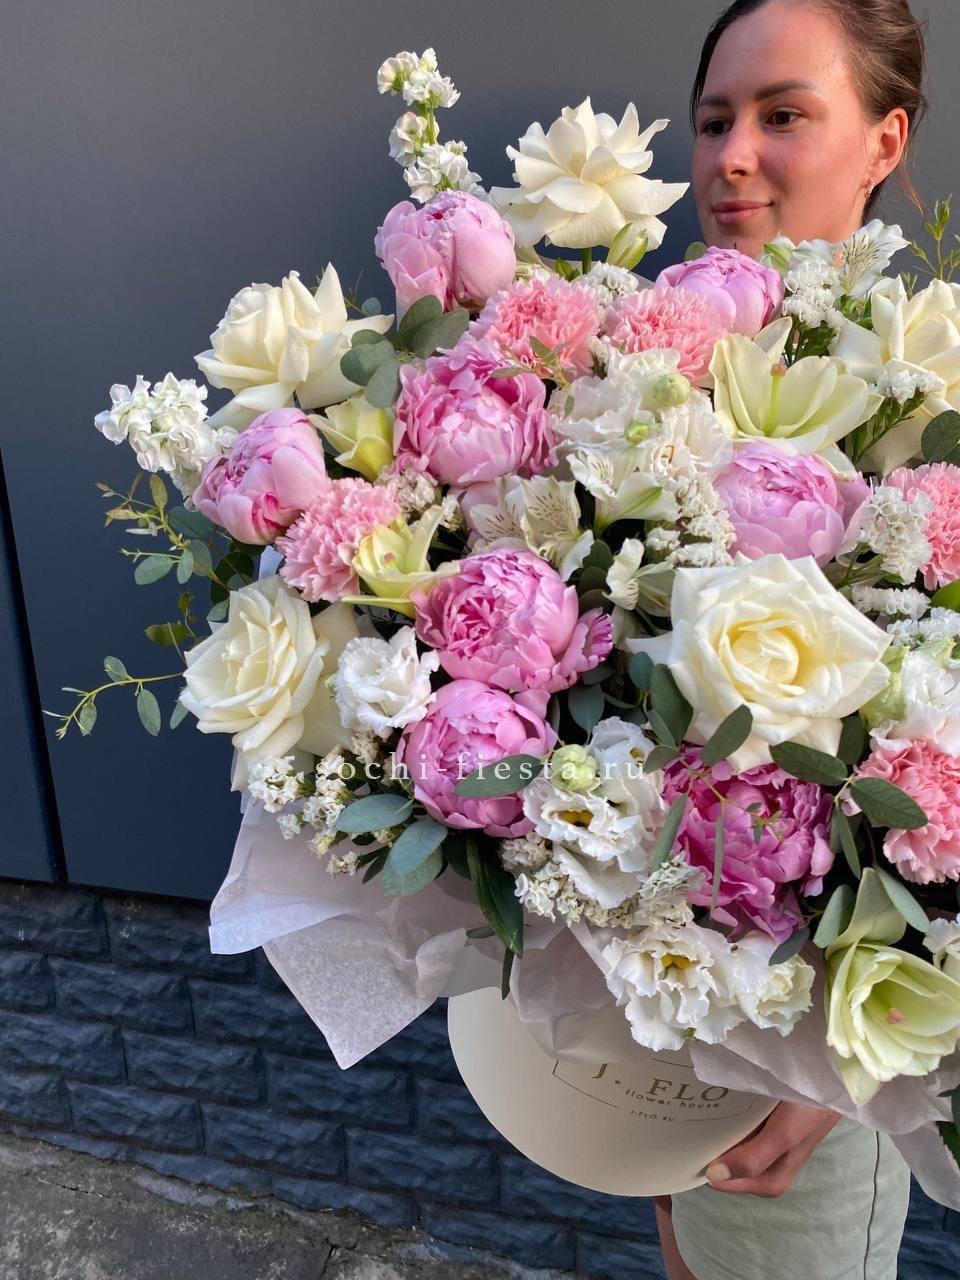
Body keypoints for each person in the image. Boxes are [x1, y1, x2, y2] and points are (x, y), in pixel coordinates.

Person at [653, 1, 928, 1277]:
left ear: (884, 141)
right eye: (714, 120)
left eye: (783, 115)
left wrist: (842, 1068)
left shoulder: (929, 396)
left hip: (818, 1073)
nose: (733, 156)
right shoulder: (654, 379)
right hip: (665, 1022)